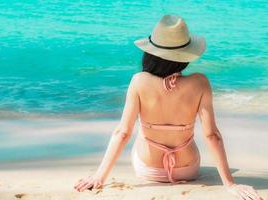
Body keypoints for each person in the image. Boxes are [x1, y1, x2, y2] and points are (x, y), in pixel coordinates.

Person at [74, 15, 263, 200]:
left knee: (143, 131)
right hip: (188, 170)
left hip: (148, 170)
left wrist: (99, 177)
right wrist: (229, 184)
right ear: (186, 55)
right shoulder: (200, 83)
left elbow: (122, 133)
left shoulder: (139, 81)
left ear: (150, 53)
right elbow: (212, 135)